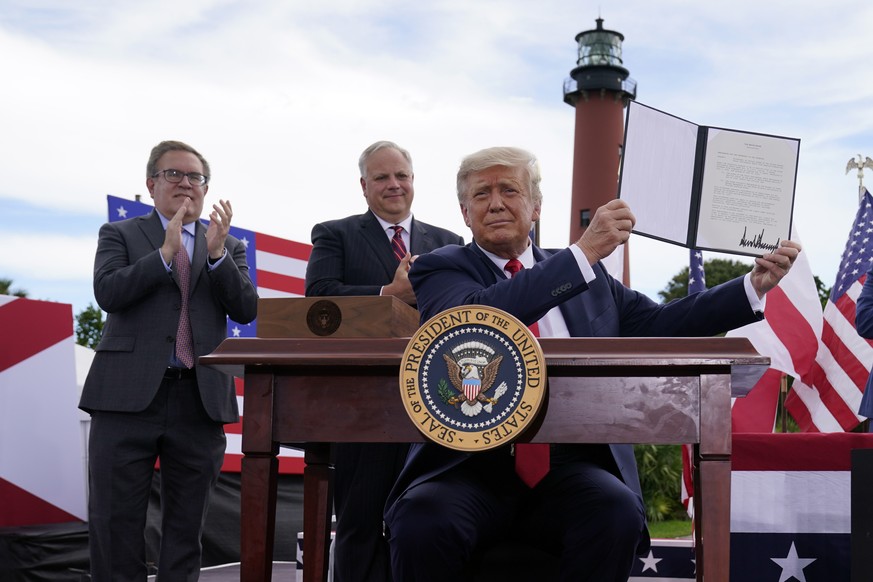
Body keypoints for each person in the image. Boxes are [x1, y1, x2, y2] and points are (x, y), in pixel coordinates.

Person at [383, 146, 801, 582]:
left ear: (536, 206)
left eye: (510, 189)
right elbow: (478, 319)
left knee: (615, 510)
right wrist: (583, 253)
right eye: (481, 194)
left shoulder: (591, 277)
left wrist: (750, 288)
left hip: (572, 462)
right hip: (469, 466)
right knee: (421, 519)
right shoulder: (440, 268)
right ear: (465, 213)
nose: (496, 202)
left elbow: (660, 323)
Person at [79, 140, 258, 581]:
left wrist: (216, 256)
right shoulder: (120, 235)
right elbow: (109, 293)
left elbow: (246, 309)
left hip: (197, 402)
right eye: (174, 174)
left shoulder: (228, 245)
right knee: (115, 523)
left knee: (186, 528)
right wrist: (164, 253)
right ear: (151, 184)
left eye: (195, 177)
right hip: (125, 398)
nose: (185, 184)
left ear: (205, 187)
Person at [305, 140, 465, 582]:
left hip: (438, 404)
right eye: (382, 177)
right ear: (364, 186)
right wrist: (387, 296)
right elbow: (317, 301)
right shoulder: (334, 233)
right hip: (363, 405)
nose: (394, 185)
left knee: (427, 523)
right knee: (360, 523)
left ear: (413, 181)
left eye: (402, 176)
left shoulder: (449, 243)